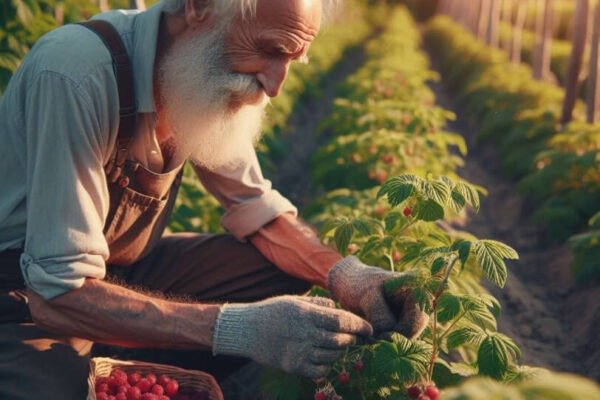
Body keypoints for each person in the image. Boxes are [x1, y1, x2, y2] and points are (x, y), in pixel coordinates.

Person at [0, 0, 428, 398]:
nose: (276, 85)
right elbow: (58, 292)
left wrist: (346, 275)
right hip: (26, 295)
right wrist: (235, 328)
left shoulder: (197, 76)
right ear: (196, 7)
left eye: (292, 60)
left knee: (275, 271)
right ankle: (82, 363)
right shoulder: (76, 74)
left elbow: (257, 208)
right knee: (53, 391)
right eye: (270, 50)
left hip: (116, 272)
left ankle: (125, 357)